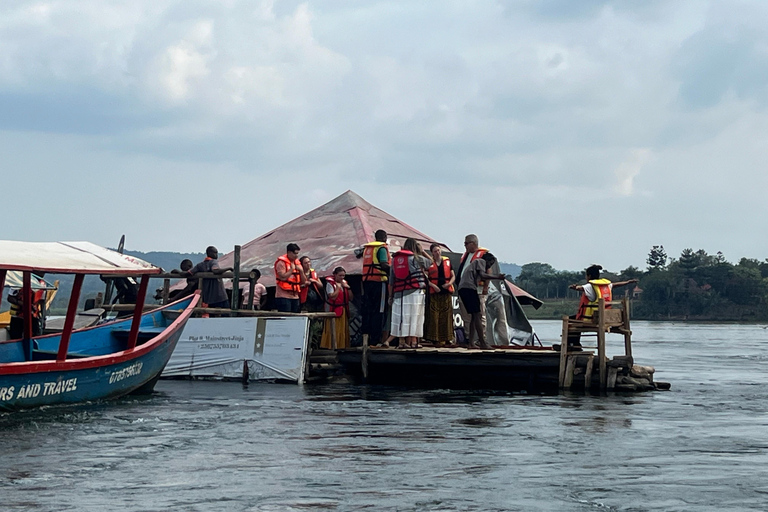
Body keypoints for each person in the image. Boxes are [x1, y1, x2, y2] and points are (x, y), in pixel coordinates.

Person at [565, 264, 638, 348]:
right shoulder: (607, 286)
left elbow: (581, 288)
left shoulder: (590, 286)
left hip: (592, 319)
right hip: (606, 318)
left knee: (570, 320)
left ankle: (572, 345)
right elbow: (616, 285)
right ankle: (575, 344)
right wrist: (627, 282)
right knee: (574, 319)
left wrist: (575, 287)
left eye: (586, 275)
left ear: (589, 276)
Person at [456, 234, 505, 349]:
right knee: (476, 314)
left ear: (473, 243)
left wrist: (485, 287)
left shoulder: (478, 258)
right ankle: (482, 342)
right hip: (468, 288)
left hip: (468, 288)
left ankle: (472, 342)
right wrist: (497, 277)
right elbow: (482, 274)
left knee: (475, 316)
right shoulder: (481, 261)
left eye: (466, 243)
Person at [387, 238, 432, 349]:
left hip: (398, 294)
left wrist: (390, 296)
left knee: (401, 318)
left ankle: (401, 343)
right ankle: (413, 343)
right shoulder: (416, 259)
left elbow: (391, 281)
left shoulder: (395, 260)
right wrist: (422, 251)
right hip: (414, 292)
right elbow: (431, 262)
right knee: (414, 317)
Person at [360, 229, 391, 346]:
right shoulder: (382, 248)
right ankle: (375, 340)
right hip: (379, 282)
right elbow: (383, 264)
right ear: (384, 238)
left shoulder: (368, 248)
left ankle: (365, 339)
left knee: (368, 310)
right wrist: (393, 271)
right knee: (380, 311)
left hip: (367, 282)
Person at [424, 243, 456, 347]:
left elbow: (453, 275)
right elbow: (426, 279)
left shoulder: (447, 261)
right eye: (435, 251)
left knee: (446, 316)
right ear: (432, 253)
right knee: (434, 316)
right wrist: (433, 286)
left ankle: (447, 338)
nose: (437, 253)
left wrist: (449, 284)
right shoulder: (429, 263)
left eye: (438, 250)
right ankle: (435, 339)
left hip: (446, 291)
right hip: (435, 292)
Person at [320, 267, 352, 349]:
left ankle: (342, 346)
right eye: (340, 275)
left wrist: (348, 288)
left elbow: (351, 298)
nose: (342, 278)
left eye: (343, 276)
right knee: (334, 329)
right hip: (334, 310)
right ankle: (331, 346)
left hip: (343, 310)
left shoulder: (345, 283)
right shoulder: (330, 284)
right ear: (335, 275)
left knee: (342, 330)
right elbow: (332, 297)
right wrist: (338, 288)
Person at [273, 243, 306, 313]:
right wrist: (291, 270)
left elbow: (303, 282)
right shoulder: (281, 263)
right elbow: (282, 278)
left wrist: (301, 271)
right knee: (285, 317)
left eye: (297, 253)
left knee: (295, 317)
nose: (296, 256)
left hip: (295, 296)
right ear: (289, 252)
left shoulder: (297, 263)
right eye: (295, 253)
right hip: (283, 296)